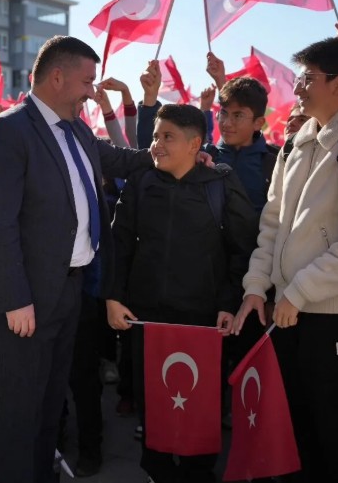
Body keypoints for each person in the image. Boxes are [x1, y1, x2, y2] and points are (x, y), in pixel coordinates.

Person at [0, 35, 154, 483]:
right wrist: (15, 300)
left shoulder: (78, 129)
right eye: (87, 81)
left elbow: (120, 160)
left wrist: (173, 153)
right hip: (24, 298)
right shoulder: (8, 130)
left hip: (69, 288)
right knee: (21, 411)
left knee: (50, 404)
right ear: (57, 77)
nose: (92, 91)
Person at [232, 37, 338, 483]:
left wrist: (300, 291)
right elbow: (272, 225)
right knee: (296, 437)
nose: (298, 88)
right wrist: (256, 287)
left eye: (308, 78)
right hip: (288, 315)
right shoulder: (295, 146)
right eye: (299, 77)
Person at [106, 103, 259, 483]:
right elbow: (119, 242)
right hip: (147, 318)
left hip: (202, 321)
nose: (156, 145)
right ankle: (157, 471)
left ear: (194, 144)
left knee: (201, 406)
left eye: (167, 137)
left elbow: (242, 250)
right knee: (152, 403)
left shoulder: (219, 184)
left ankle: (197, 473)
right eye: (155, 136)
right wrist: (113, 297)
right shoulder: (142, 182)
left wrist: (228, 304)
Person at [204, 77, 280, 213]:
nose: (227, 123)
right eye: (223, 113)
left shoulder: (276, 163)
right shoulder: (204, 157)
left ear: (258, 123)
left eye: (238, 116)